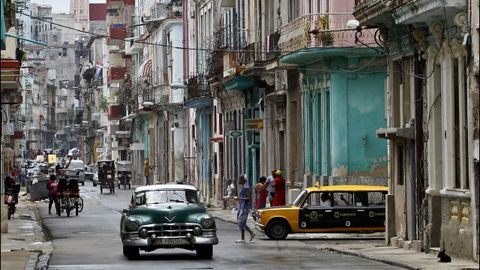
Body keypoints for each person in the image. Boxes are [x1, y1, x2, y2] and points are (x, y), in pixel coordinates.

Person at [234, 174, 255, 243]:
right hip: (241, 206)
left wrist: (239, 198)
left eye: (239, 179)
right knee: (240, 222)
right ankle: (250, 233)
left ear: (243, 179)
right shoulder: (244, 186)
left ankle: (244, 237)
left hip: (244, 207)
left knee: (241, 222)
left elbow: (248, 198)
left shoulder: (247, 187)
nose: (238, 180)